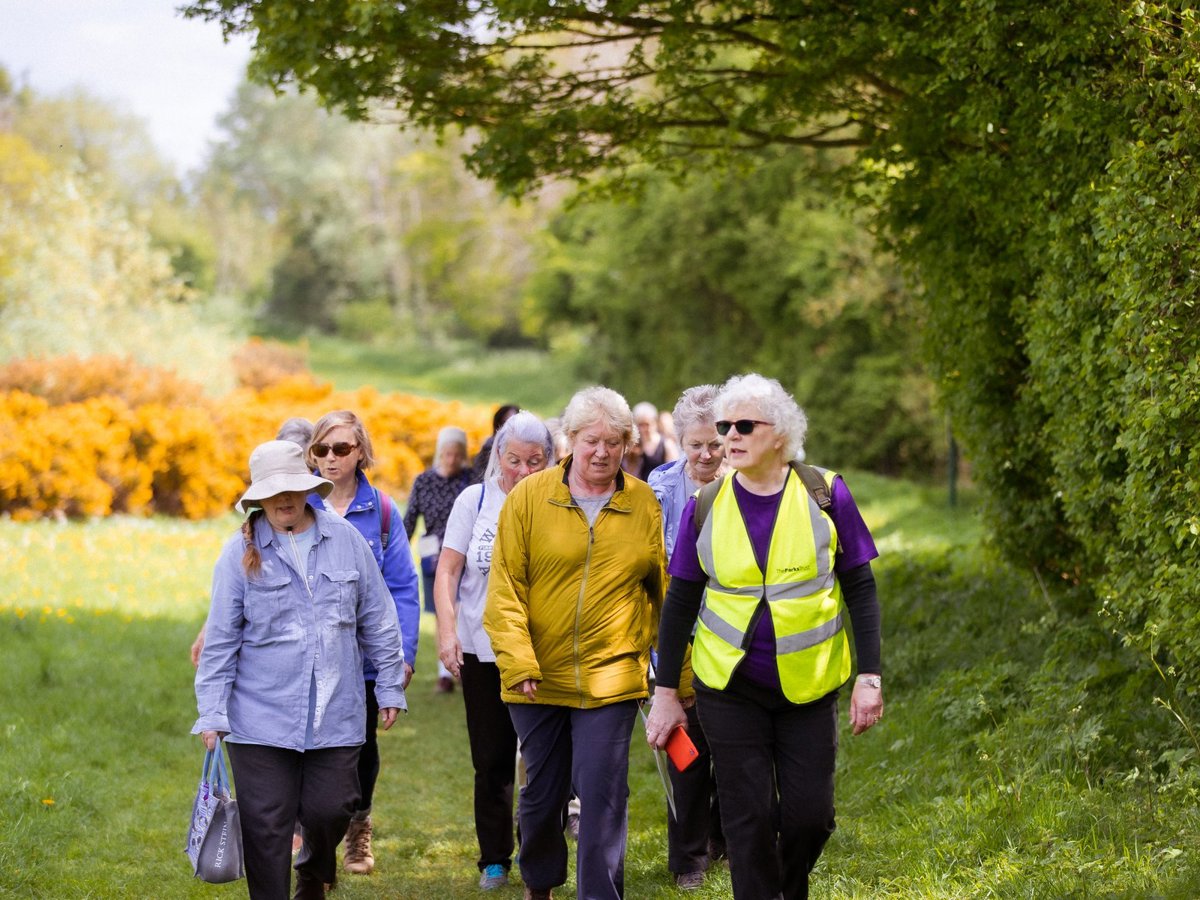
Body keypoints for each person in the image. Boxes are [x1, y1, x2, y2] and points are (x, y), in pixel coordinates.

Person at [644, 373, 884, 900]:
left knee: (810, 818)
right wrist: (665, 694)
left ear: (781, 433)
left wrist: (870, 675)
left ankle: (784, 887)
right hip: (728, 689)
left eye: (744, 425)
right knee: (746, 819)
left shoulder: (825, 493)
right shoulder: (704, 505)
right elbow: (680, 601)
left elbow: (860, 589)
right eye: (726, 424)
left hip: (809, 687)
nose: (730, 434)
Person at [193, 440, 407, 900]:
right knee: (266, 829)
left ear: (309, 489)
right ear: (259, 499)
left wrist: (390, 685)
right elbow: (221, 639)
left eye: (293, 488)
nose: (285, 499)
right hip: (259, 719)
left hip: (337, 714)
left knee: (332, 810)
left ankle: (312, 872)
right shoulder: (238, 554)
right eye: (274, 493)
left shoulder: (345, 541)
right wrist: (211, 712)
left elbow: (378, 616)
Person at [484, 386, 666, 900]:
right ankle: (539, 885)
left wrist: (676, 676)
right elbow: (504, 589)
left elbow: (661, 589)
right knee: (541, 798)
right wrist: (518, 659)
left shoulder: (643, 501)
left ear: (628, 443)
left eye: (614, 442)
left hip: (612, 678)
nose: (602, 453)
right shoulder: (530, 497)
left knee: (604, 795)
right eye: (592, 441)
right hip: (537, 678)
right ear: (571, 439)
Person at [434, 411, 555, 891]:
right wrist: (447, 633)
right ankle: (494, 858)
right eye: (514, 460)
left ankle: (539, 849)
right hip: (483, 649)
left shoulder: (561, 501)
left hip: (542, 649)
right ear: (497, 458)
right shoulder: (475, 500)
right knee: (492, 757)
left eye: (536, 460)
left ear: (550, 460)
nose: (524, 470)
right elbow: (447, 572)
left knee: (545, 758)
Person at [306, 410, 421, 876]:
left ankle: (358, 828)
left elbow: (402, 589)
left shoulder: (384, 512)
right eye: (322, 450)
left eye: (342, 449)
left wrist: (403, 655)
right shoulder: (297, 504)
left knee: (361, 746)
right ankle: (313, 834)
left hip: (367, 660)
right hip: (309, 655)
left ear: (360, 453)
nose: (331, 459)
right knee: (309, 745)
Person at [645, 385, 728, 891]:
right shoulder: (659, 486)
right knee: (687, 750)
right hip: (676, 635)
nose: (704, 454)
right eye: (694, 444)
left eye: (714, 443)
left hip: (732, 637)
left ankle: (730, 839)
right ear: (679, 441)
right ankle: (690, 860)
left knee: (736, 746)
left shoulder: (745, 484)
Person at [190, 417, 315, 667]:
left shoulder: (333, 529)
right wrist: (212, 626)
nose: (285, 494)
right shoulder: (244, 543)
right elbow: (235, 595)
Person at [404, 425, 476, 691]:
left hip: (465, 554)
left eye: (458, 454)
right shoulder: (424, 481)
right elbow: (410, 518)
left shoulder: (470, 480)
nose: (452, 459)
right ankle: (444, 673)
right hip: (433, 554)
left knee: (462, 610)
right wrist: (398, 551)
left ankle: (464, 665)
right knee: (442, 613)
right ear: (439, 453)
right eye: (447, 453)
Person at [622, 401, 679, 480]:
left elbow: (674, 472)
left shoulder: (666, 445)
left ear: (654, 422)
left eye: (647, 424)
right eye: (641, 425)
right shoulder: (634, 445)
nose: (644, 429)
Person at [472, 403, 520, 479]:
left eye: (514, 423)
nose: (509, 427)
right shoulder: (489, 447)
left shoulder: (522, 445)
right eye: (505, 423)